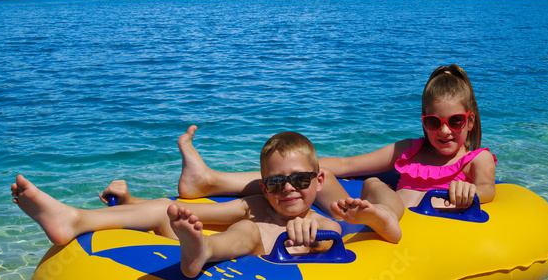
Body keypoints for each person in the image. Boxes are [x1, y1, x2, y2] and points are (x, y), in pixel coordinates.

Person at [13, 132, 397, 279]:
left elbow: (391, 235)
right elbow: (191, 212)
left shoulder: (324, 219)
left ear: (319, 181)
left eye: (299, 181)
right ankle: (74, 219)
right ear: (264, 187)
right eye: (277, 183)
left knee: (247, 234)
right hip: (235, 232)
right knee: (170, 209)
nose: (289, 190)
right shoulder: (253, 206)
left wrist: (366, 219)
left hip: (246, 249)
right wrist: (138, 204)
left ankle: (200, 251)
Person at [174, 65, 496, 216]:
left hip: (395, 223)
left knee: (318, 182)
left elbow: (488, 188)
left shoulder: (475, 159)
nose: (444, 131)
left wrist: (469, 190)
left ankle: (207, 182)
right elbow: (346, 164)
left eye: (455, 121)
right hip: (368, 217)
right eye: (433, 122)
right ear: (423, 122)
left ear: (469, 120)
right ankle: (210, 181)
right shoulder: (409, 150)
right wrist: (308, 172)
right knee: (298, 178)